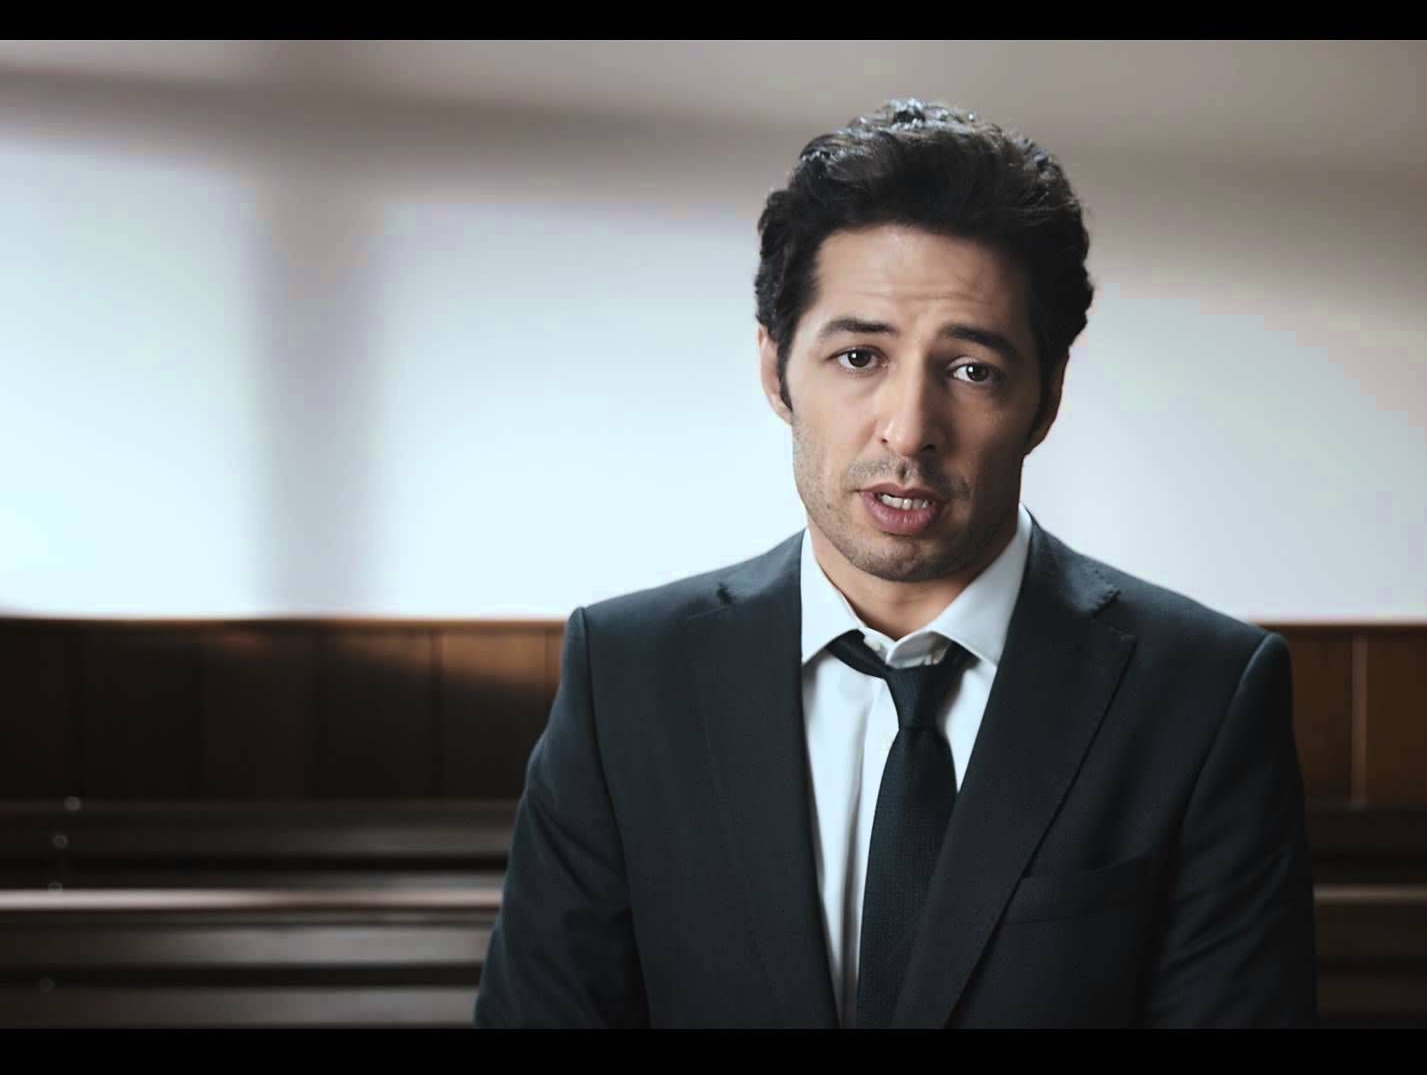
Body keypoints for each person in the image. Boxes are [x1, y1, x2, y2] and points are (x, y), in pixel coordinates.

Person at [472, 98, 1317, 1028]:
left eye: (972, 370)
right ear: (775, 370)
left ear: (1046, 399)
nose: (909, 430)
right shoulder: (626, 675)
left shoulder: (1203, 695)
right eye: (859, 356)